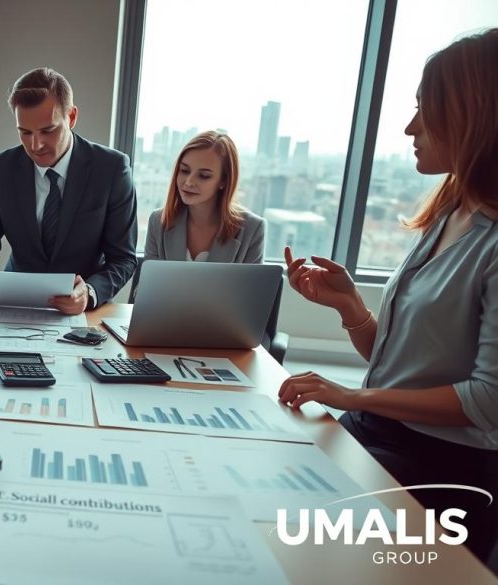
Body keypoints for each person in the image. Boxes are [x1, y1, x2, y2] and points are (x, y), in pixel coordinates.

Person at [278, 29, 498, 564]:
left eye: (426, 110)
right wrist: (351, 308)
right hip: (378, 435)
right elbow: (404, 367)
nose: (410, 127)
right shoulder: (449, 214)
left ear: (473, 116)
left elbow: (486, 402)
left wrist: (353, 397)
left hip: (442, 472)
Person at [0, 67, 138, 315]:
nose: (36, 145)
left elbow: (123, 259)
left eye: (48, 130)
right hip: (12, 306)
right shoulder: (0, 168)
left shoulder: (111, 169)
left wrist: (89, 292)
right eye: (25, 132)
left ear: (72, 117)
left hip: (80, 312)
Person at [130, 131, 265, 301]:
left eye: (204, 176)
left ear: (224, 181)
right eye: (184, 171)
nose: (188, 182)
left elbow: (251, 302)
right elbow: (143, 294)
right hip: (165, 325)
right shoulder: (159, 221)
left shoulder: (253, 229)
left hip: (222, 327)